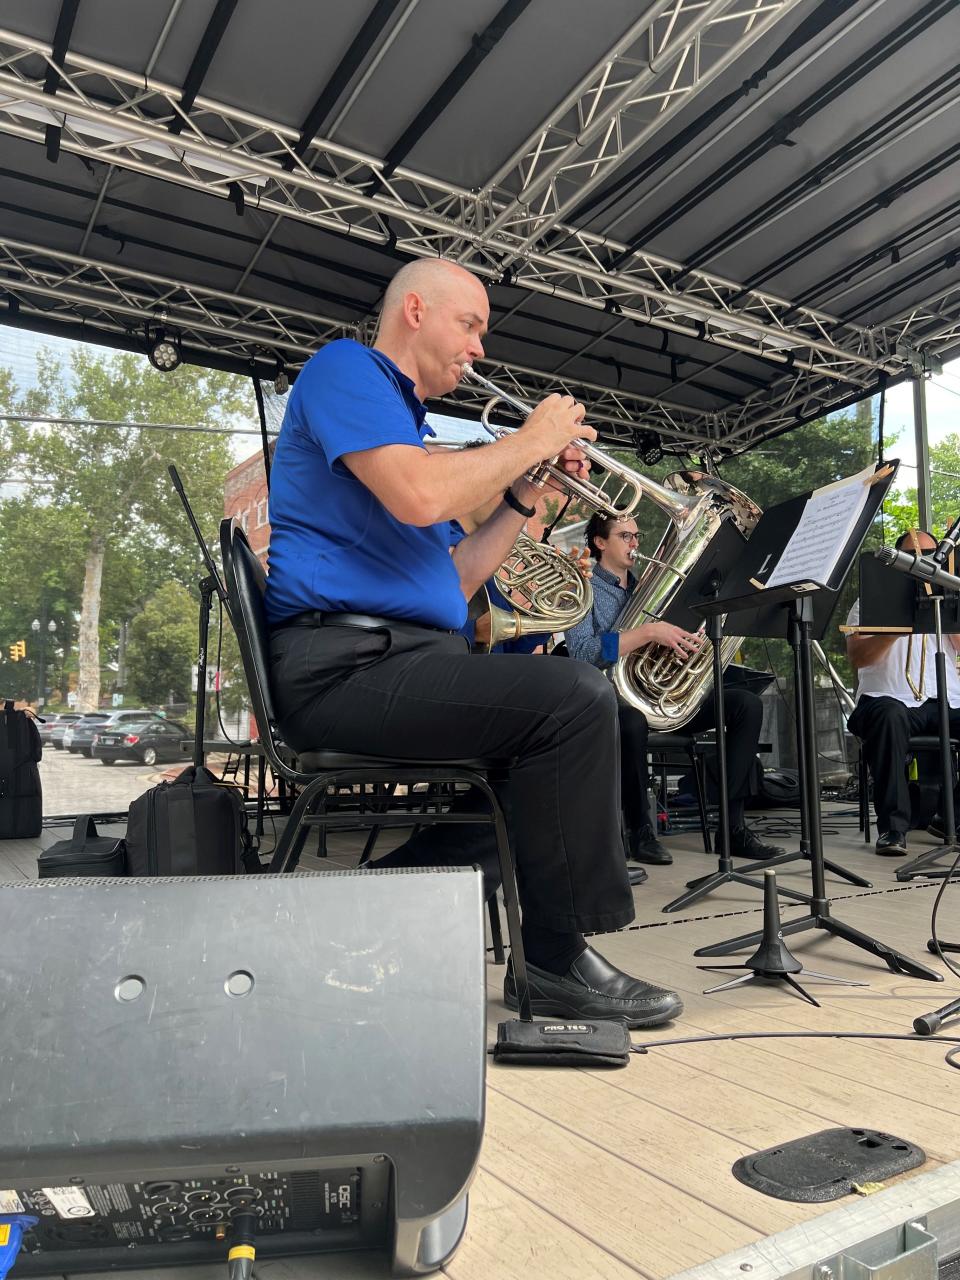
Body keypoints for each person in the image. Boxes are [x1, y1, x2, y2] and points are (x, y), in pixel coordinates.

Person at [264, 256, 681, 1027]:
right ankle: (556, 961)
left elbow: (455, 584)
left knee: (537, 770)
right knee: (579, 700)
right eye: (471, 325)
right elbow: (422, 495)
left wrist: (526, 496)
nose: (480, 349)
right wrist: (530, 440)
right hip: (341, 667)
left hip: (407, 658)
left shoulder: (406, 431)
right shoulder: (345, 370)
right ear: (415, 311)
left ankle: (363, 910)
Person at [565, 512, 784, 866]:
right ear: (600, 542)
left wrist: (685, 644)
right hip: (614, 702)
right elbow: (582, 652)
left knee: (745, 705)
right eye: (625, 536)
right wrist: (649, 632)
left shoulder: (652, 587)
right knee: (632, 722)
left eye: (636, 536)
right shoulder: (583, 587)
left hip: (665, 698)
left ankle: (732, 826)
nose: (635, 543)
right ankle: (640, 831)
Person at [846, 528, 960, 855]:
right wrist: (898, 625)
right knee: (889, 716)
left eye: (931, 554)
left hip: (943, 701)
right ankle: (893, 830)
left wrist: (949, 611)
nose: (924, 563)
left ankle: (952, 818)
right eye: (915, 556)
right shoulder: (868, 601)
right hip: (886, 700)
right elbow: (859, 657)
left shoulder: (949, 599)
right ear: (898, 562)